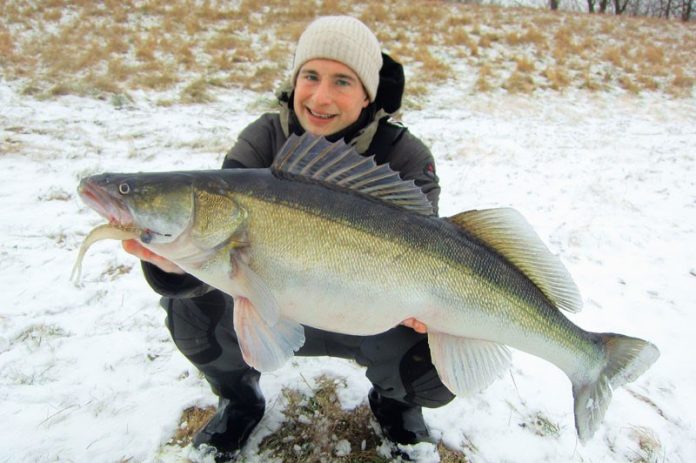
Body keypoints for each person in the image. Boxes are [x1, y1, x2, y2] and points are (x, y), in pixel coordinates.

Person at [123, 15, 454, 460]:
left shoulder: (405, 156)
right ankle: (239, 402)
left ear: (368, 94)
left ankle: (397, 405)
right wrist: (174, 265)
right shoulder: (264, 138)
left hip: (369, 316)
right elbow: (216, 242)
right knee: (189, 308)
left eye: (342, 81)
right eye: (310, 76)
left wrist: (428, 309)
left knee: (438, 351)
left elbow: (428, 248)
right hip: (274, 303)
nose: (320, 96)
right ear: (294, 80)